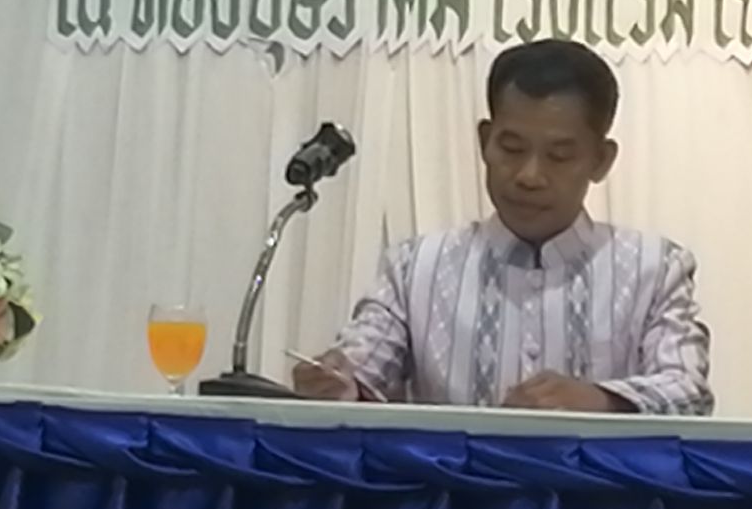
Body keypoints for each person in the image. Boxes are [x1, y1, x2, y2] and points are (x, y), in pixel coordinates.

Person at [293, 39, 712, 414]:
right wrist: (338, 380)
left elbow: (688, 391)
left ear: (601, 160)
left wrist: (601, 400)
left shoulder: (654, 269)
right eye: (511, 149)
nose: (529, 175)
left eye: (559, 156)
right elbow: (362, 363)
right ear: (485, 142)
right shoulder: (414, 267)